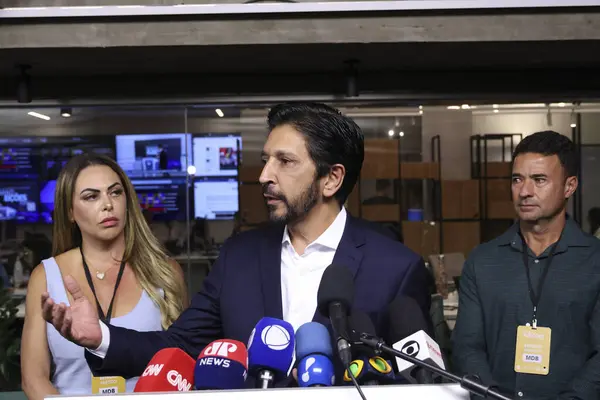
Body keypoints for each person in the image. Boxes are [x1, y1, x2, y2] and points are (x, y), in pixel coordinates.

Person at [41, 103, 432, 386]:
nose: (264, 175)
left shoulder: (396, 269)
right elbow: (178, 344)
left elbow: (420, 383)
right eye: (265, 160)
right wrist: (101, 337)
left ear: (331, 179)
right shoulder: (238, 257)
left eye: (285, 161)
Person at [21, 154, 187, 399]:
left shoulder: (166, 273)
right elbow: (33, 379)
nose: (108, 204)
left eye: (115, 192)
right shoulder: (45, 276)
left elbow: (186, 360)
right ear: (70, 212)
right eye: (91, 196)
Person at [452, 131, 600, 400]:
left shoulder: (595, 260)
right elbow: (467, 348)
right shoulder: (483, 261)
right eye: (517, 179)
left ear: (570, 186)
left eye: (539, 180)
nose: (524, 191)